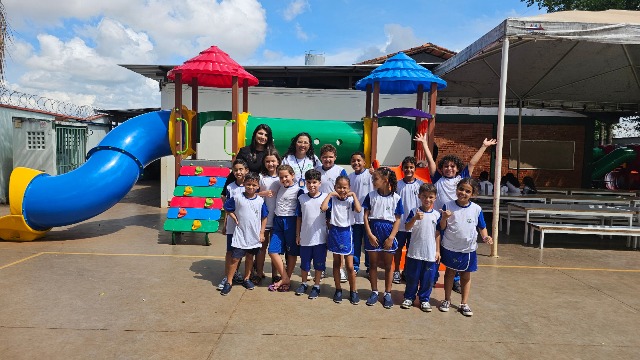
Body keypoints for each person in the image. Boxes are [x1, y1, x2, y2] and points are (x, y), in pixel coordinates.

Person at [415, 133, 496, 293]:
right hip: (440, 219)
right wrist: (424, 143)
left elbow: (472, 163)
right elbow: (431, 161)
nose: (449, 169)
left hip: (457, 220)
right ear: (442, 168)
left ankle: (456, 280)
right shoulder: (438, 178)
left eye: (452, 166)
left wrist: (484, 147)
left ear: (458, 168)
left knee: (456, 250)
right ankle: (433, 277)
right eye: (446, 166)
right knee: (436, 249)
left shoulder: (462, 179)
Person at [438, 178, 493, 316]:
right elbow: (442, 227)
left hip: (468, 249)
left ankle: (464, 303)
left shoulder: (476, 209)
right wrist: (444, 218)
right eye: (461, 189)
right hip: (450, 246)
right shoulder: (448, 205)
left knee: (465, 275)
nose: (463, 193)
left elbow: (482, 227)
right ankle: (447, 299)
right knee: (449, 273)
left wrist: (485, 237)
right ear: (456, 189)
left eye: (467, 191)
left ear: (473, 194)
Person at [220, 172, 269, 295]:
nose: (251, 187)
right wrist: (233, 216)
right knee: (235, 258)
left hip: (254, 235)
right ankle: (229, 282)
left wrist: (262, 233)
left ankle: (246, 279)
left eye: (254, 185)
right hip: (240, 234)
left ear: (258, 186)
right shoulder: (237, 197)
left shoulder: (260, 201)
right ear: (244, 184)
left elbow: (264, 217)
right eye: (248, 184)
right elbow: (226, 207)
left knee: (249, 257)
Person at [362, 167, 403, 309]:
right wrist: (369, 234)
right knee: (372, 265)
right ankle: (374, 291)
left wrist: (391, 237)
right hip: (374, 231)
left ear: (385, 180)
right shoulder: (371, 196)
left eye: (375, 179)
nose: (373, 181)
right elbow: (366, 216)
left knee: (387, 265)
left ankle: (387, 293)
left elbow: (398, 220)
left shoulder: (396, 198)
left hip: (388, 232)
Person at [321, 175, 362, 305]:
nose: (342, 190)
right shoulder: (332, 200)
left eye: (345, 187)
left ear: (349, 188)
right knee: (336, 263)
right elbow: (323, 208)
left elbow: (359, 209)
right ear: (335, 187)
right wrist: (330, 194)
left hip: (346, 233)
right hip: (334, 232)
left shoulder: (350, 200)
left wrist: (354, 195)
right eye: (339, 187)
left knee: (350, 266)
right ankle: (338, 289)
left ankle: (353, 291)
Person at [401, 183, 441, 312]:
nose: (427, 200)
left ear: (435, 198)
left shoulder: (437, 215)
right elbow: (407, 227)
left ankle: (424, 299)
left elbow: (437, 234)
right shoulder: (414, 211)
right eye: (424, 196)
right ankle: (409, 297)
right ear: (419, 196)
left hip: (430, 253)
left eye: (430, 197)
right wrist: (414, 218)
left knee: (428, 278)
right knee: (412, 276)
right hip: (415, 252)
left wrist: (437, 251)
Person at [267, 164, 302, 292]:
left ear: (292, 175)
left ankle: (287, 279)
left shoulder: (299, 190)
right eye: (281, 177)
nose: (284, 179)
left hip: (291, 221)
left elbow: (301, 211)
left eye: (286, 176)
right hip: (278, 221)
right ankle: (285, 277)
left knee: (291, 252)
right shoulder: (279, 186)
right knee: (272, 251)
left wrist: (299, 232)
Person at [295, 169, 328, 299]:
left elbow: (329, 217)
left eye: (314, 182)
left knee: (319, 264)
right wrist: (298, 235)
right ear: (305, 183)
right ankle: (303, 283)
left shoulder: (325, 197)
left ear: (320, 183)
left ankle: (316, 285)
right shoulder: (302, 198)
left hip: (320, 238)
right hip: (305, 237)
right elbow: (299, 218)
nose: (312, 185)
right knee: (305, 263)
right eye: (309, 182)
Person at [317, 143, 349, 283]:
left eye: (330, 157)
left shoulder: (340, 171)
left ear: (335, 157)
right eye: (324, 157)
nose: (327, 159)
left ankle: (340, 268)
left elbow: (345, 189)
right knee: (322, 239)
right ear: (321, 158)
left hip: (336, 210)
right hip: (320, 209)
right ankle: (321, 268)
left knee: (338, 240)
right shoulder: (317, 170)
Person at [217, 159, 249, 291]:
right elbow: (227, 207)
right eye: (235, 170)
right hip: (232, 225)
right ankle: (227, 276)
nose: (238, 172)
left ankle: (238, 274)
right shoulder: (230, 187)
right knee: (230, 251)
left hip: (246, 226)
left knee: (243, 252)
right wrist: (225, 225)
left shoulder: (251, 186)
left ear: (246, 171)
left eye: (241, 169)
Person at [393, 156, 423, 284]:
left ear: (415, 168)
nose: (408, 169)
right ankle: (396, 271)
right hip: (400, 224)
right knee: (398, 248)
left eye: (411, 167)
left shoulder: (421, 184)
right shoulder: (397, 184)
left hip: (415, 224)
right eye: (406, 167)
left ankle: (407, 271)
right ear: (402, 169)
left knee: (412, 250)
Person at [223, 124, 275, 196]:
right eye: (260, 133)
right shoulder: (245, 151)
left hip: (267, 191)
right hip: (247, 190)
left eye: (266, 135)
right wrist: (224, 193)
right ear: (255, 134)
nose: (263, 137)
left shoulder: (270, 154)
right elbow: (236, 171)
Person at [256, 148, 281, 283]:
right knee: (262, 247)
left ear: (278, 161)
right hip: (264, 218)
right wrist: (263, 194)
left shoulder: (282, 177)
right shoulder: (261, 177)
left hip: (278, 218)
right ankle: (259, 272)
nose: (270, 164)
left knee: (275, 248)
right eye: (267, 161)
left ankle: (275, 274)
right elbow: (252, 194)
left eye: (273, 161)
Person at [347, 152, 373, 277]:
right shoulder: (350, 177)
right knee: (355, 243)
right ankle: (355, 266)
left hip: (368, 217)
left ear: (364, 162)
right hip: (354, 217)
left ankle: (369, 267)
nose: (356, 163)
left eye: (359, 160)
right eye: (353, 160)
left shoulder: (370, 175)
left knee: (368, 244)